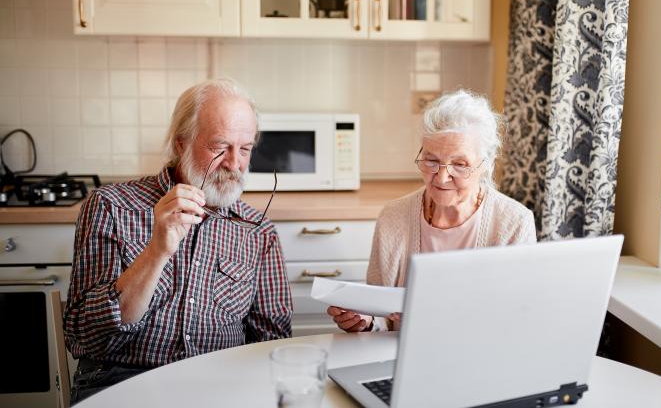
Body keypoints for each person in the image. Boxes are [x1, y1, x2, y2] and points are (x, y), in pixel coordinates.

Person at [64, 78, 292, 403]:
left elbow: (273, 343)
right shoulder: (111, 206)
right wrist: (156, 252)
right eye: (219, 146)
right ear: (181, 143)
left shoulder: (257, 230)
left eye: (245, 149)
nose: (234, 163)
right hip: (123, 382)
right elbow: (83, 338)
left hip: (222, 385)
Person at [327, 89, 536, 332]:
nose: (442, 177)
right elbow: (381, 317)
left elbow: (517, 321)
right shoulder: (393, 217)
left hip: (481, 359)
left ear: (485, 165)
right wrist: (365, 321)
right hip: (401, 357)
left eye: (459, 164)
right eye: (431, 160)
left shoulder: (514, 223)